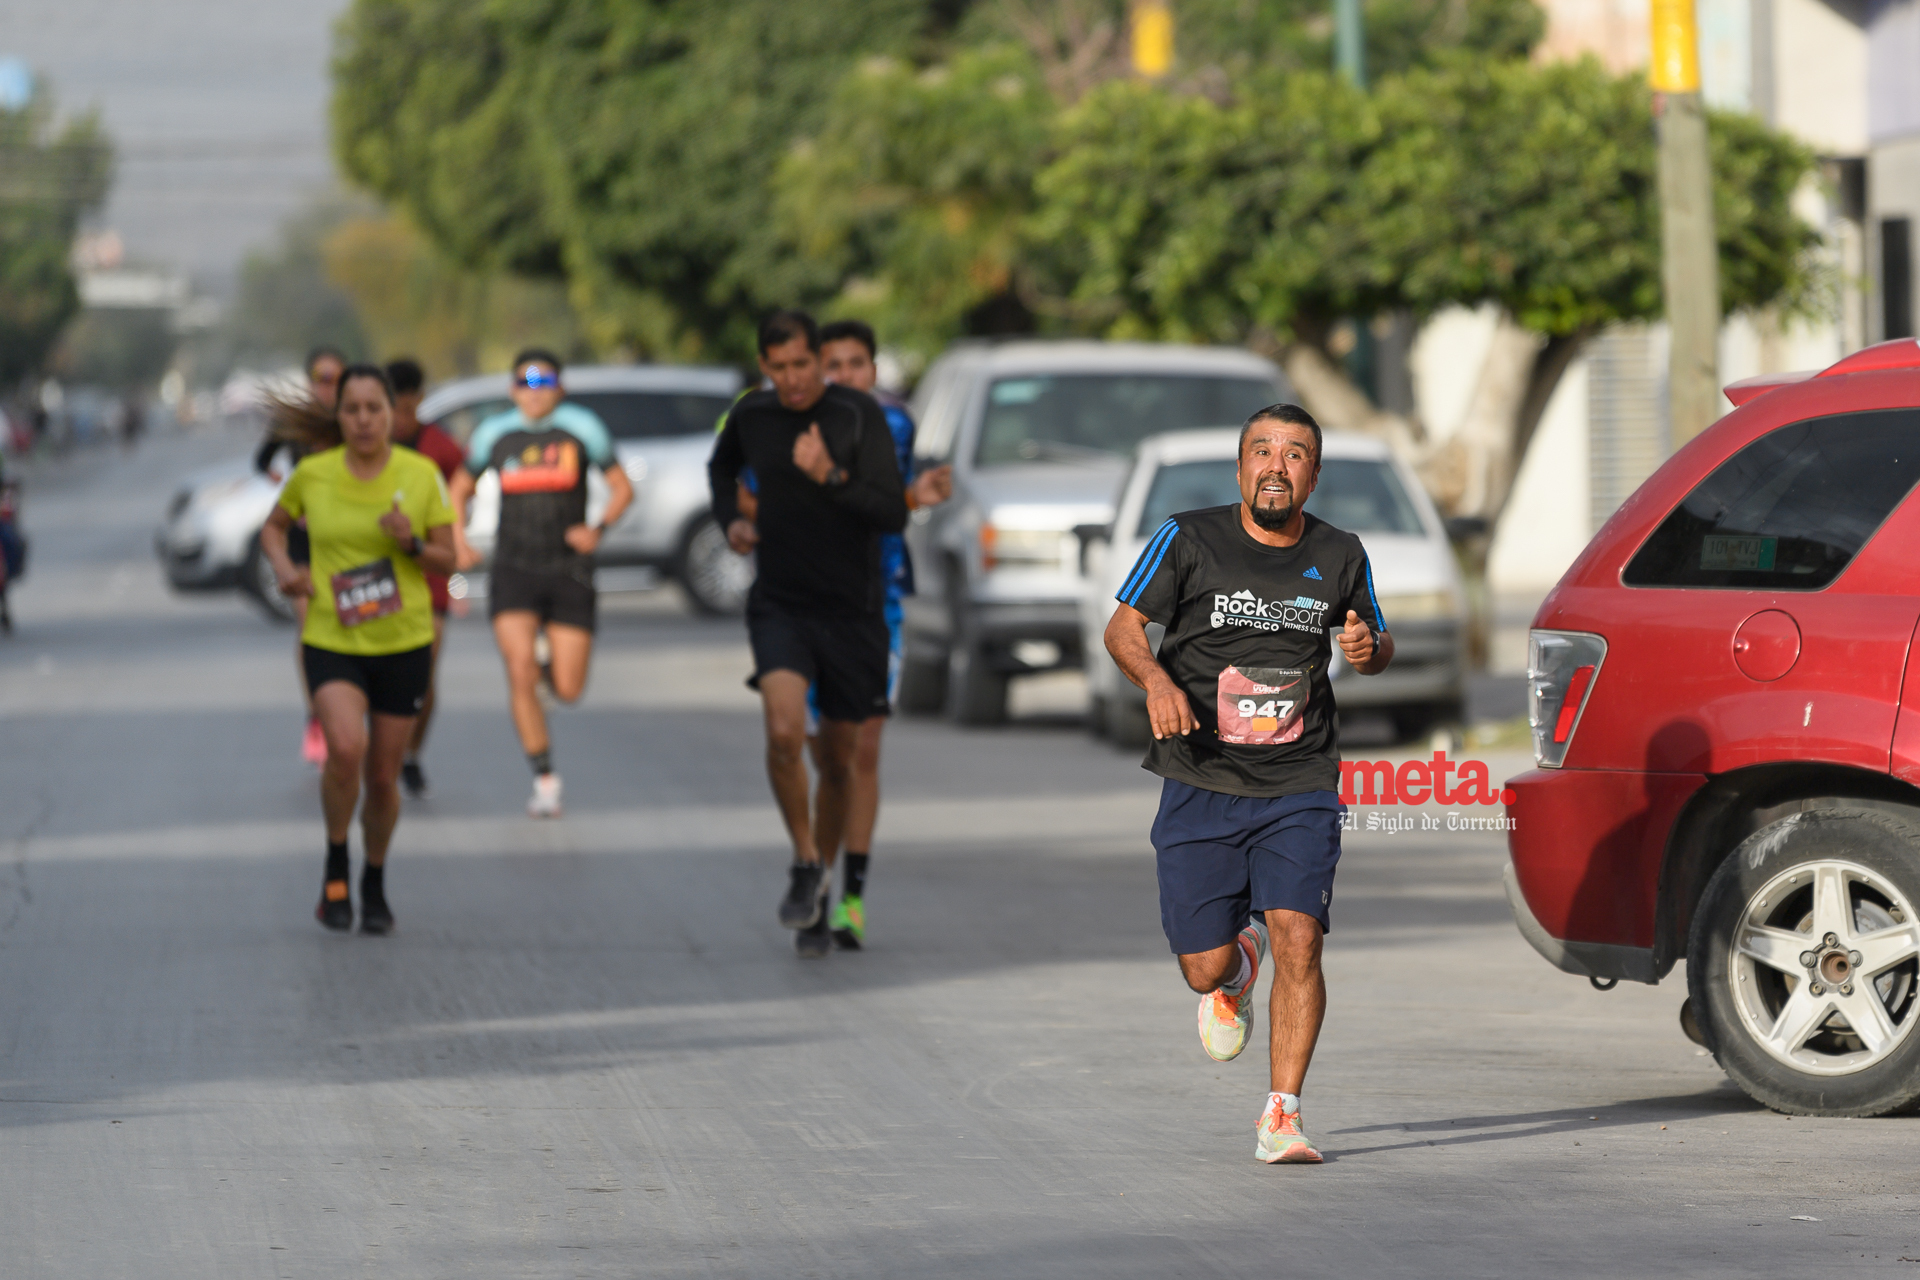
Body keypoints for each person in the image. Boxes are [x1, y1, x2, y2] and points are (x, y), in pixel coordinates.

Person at [1102, 403, 1394, 1164]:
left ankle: (1283, 1115)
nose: (1276, 464)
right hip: (1200, 773)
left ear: (1313, 475)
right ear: (1240, 468)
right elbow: (1123, 629)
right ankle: (1236, 967)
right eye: (1262, 450)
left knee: (1301, 936)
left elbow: (1374, 638)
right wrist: (1158, 684)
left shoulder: (1340, 552)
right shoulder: (1188, 537)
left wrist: (1367, 646)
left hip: (1300, 777)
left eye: (1295, 454)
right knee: (1202, 967)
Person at [709, 309, 907, 958]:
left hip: (853, 612)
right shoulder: (752, 416)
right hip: (780, 605)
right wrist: (729, 522)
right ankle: (802, 857)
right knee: (785, 731)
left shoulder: (856, 416)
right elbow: (721, 469)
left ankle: (823, 884)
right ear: (764, 367)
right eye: (780, 368)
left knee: (841, 761)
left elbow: (891, 510)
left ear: (819, 360)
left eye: (803, 365)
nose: (793, 380)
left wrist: (829, 475)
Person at [258, 364, 457, 934]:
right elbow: (273, 529)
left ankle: (373, 876)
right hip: (332, 637)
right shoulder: (313, 474)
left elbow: (451, 558)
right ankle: (335, 862)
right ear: (338, 416)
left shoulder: (420, 475)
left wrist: (411, 542)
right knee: (346, 749)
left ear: (394, 414)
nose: (365, 420)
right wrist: (286, 570)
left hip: (403, 641)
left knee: (383, 776)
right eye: (353, 410)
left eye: (375, 409)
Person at [813, 319, 951, 950]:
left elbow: (892, 498)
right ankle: (814, 875)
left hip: (881, 604)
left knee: (863, 750)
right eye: (831, 366)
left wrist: (917, 496)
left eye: (855, 364)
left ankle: (850, 898)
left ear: (873, 370)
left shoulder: (897, 426)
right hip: (811, 606)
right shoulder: (794, 428)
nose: (844, 376)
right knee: (828, 757)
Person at [449, 350, 632, 818]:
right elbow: (459, 487)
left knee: (569, 690)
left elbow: (622, 486)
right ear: (512, 389)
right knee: (518, 668)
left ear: (560, 387)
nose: (535, 392)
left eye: (544, 381)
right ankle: (545, 778)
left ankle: (548, 672)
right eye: (525, 383)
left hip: (569, 568)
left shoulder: (582, 427)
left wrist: (597, 530)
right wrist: (458, 537)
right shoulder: (494, 433)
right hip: (515, 566)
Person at [257, 346, 349, 766]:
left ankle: (351, 707)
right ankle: (316, 715)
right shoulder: (293, 424)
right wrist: (290, 489)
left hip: (348, 542)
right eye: (320, 376)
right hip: (304, 542)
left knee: (351, 625)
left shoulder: (357, 420)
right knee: (310, 627)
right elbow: (262, 461)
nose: (327, 384)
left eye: (335, 376)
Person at [385, 358, 464, 798]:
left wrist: (455, 535)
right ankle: (383, 747)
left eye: (403, 403)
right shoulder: (365, 444)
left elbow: (460, 489)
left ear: (416, 399)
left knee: (424, 674)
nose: (396, 413)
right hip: (377, 574)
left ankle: (412, 752)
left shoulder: (440, 448)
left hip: (429, 572)